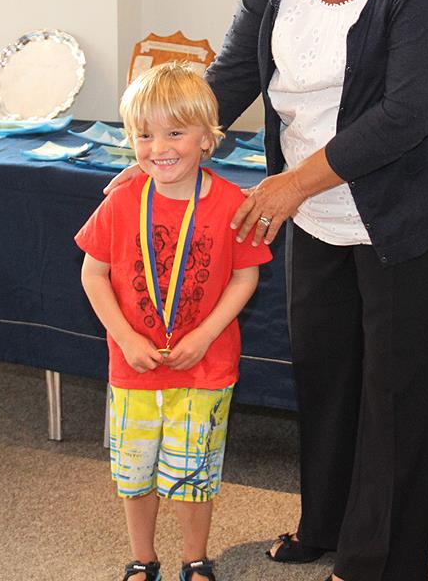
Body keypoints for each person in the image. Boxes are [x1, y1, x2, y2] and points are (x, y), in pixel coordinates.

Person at [105, 0, 428, 581]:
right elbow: (241, 66)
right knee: (327, 371)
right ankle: (323, 525)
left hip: (408, 209)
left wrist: (286, 186)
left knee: (392, 391)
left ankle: (379, 560)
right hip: (311, 205)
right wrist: (166, 146)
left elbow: (407, 115)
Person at [76, 62, 271, 581]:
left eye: (175, 132)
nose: (158, 147)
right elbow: (93, 274)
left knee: (195, 474)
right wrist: (125, 335)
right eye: (144, 134)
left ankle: (195, 559)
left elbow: (244, 279)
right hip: (133, 365)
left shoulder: (233, 205)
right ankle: (143, 558)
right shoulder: (120, 202)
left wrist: (206, 336)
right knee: (134, 475)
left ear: (209, 138)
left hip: (206, 368)